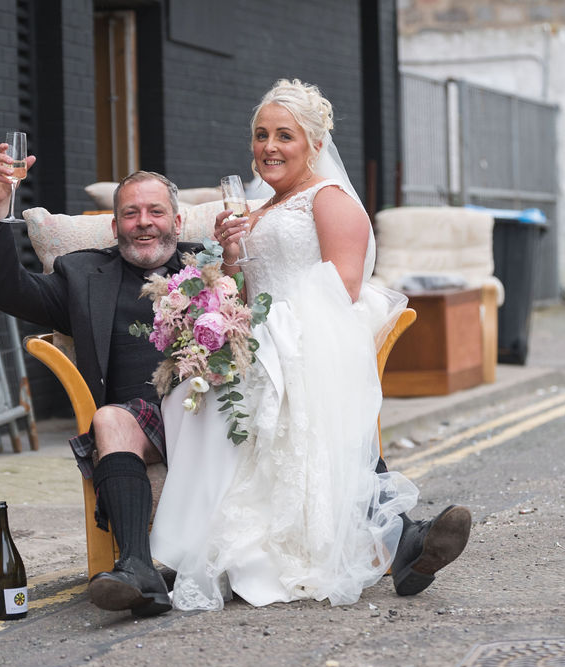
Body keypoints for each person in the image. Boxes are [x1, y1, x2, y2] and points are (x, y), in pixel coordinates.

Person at [149, 79, 472, 611]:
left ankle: (400, 542)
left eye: (284, 136)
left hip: (306, 337)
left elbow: (342, 290)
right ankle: (405, 545)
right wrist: (229, 271)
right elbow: (246, 289)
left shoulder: (329, 200)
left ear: (314, 144)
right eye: (260, 135)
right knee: (194, 392)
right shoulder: (259, 207)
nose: (269, 147)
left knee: (238, 391)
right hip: (261, 336)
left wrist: (263, 331)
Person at [0, 147, 199, 617]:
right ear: (115, 227)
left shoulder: (211, 268)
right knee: (109, 420)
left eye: (156, 212)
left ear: (177, 224)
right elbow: (3, 289)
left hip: (209, 411)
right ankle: (138, 566)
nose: (143, 222)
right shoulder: (82, 275)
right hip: (143, 419)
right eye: (130, 213)